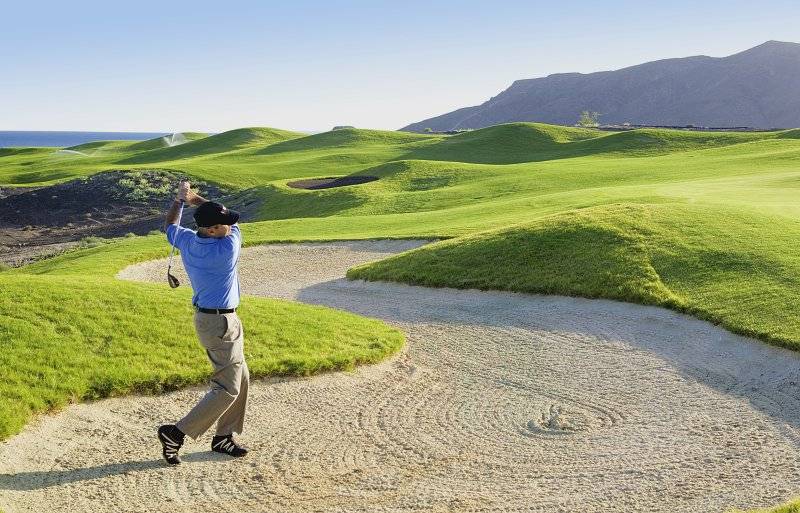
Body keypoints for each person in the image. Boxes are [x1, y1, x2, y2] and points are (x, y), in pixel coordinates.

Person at [157, 181, 249, 465]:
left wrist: (179, 201)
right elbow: (236, 228)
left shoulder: (187, 239)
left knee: (241, 378)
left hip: (215, 319)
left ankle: (224, 436)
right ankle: (176, 432)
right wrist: (195, 199)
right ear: (212, 230)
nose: (228, 226)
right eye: (222, 224)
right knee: (228, 388)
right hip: (219, 323)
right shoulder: (226, 249)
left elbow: (170, 225)